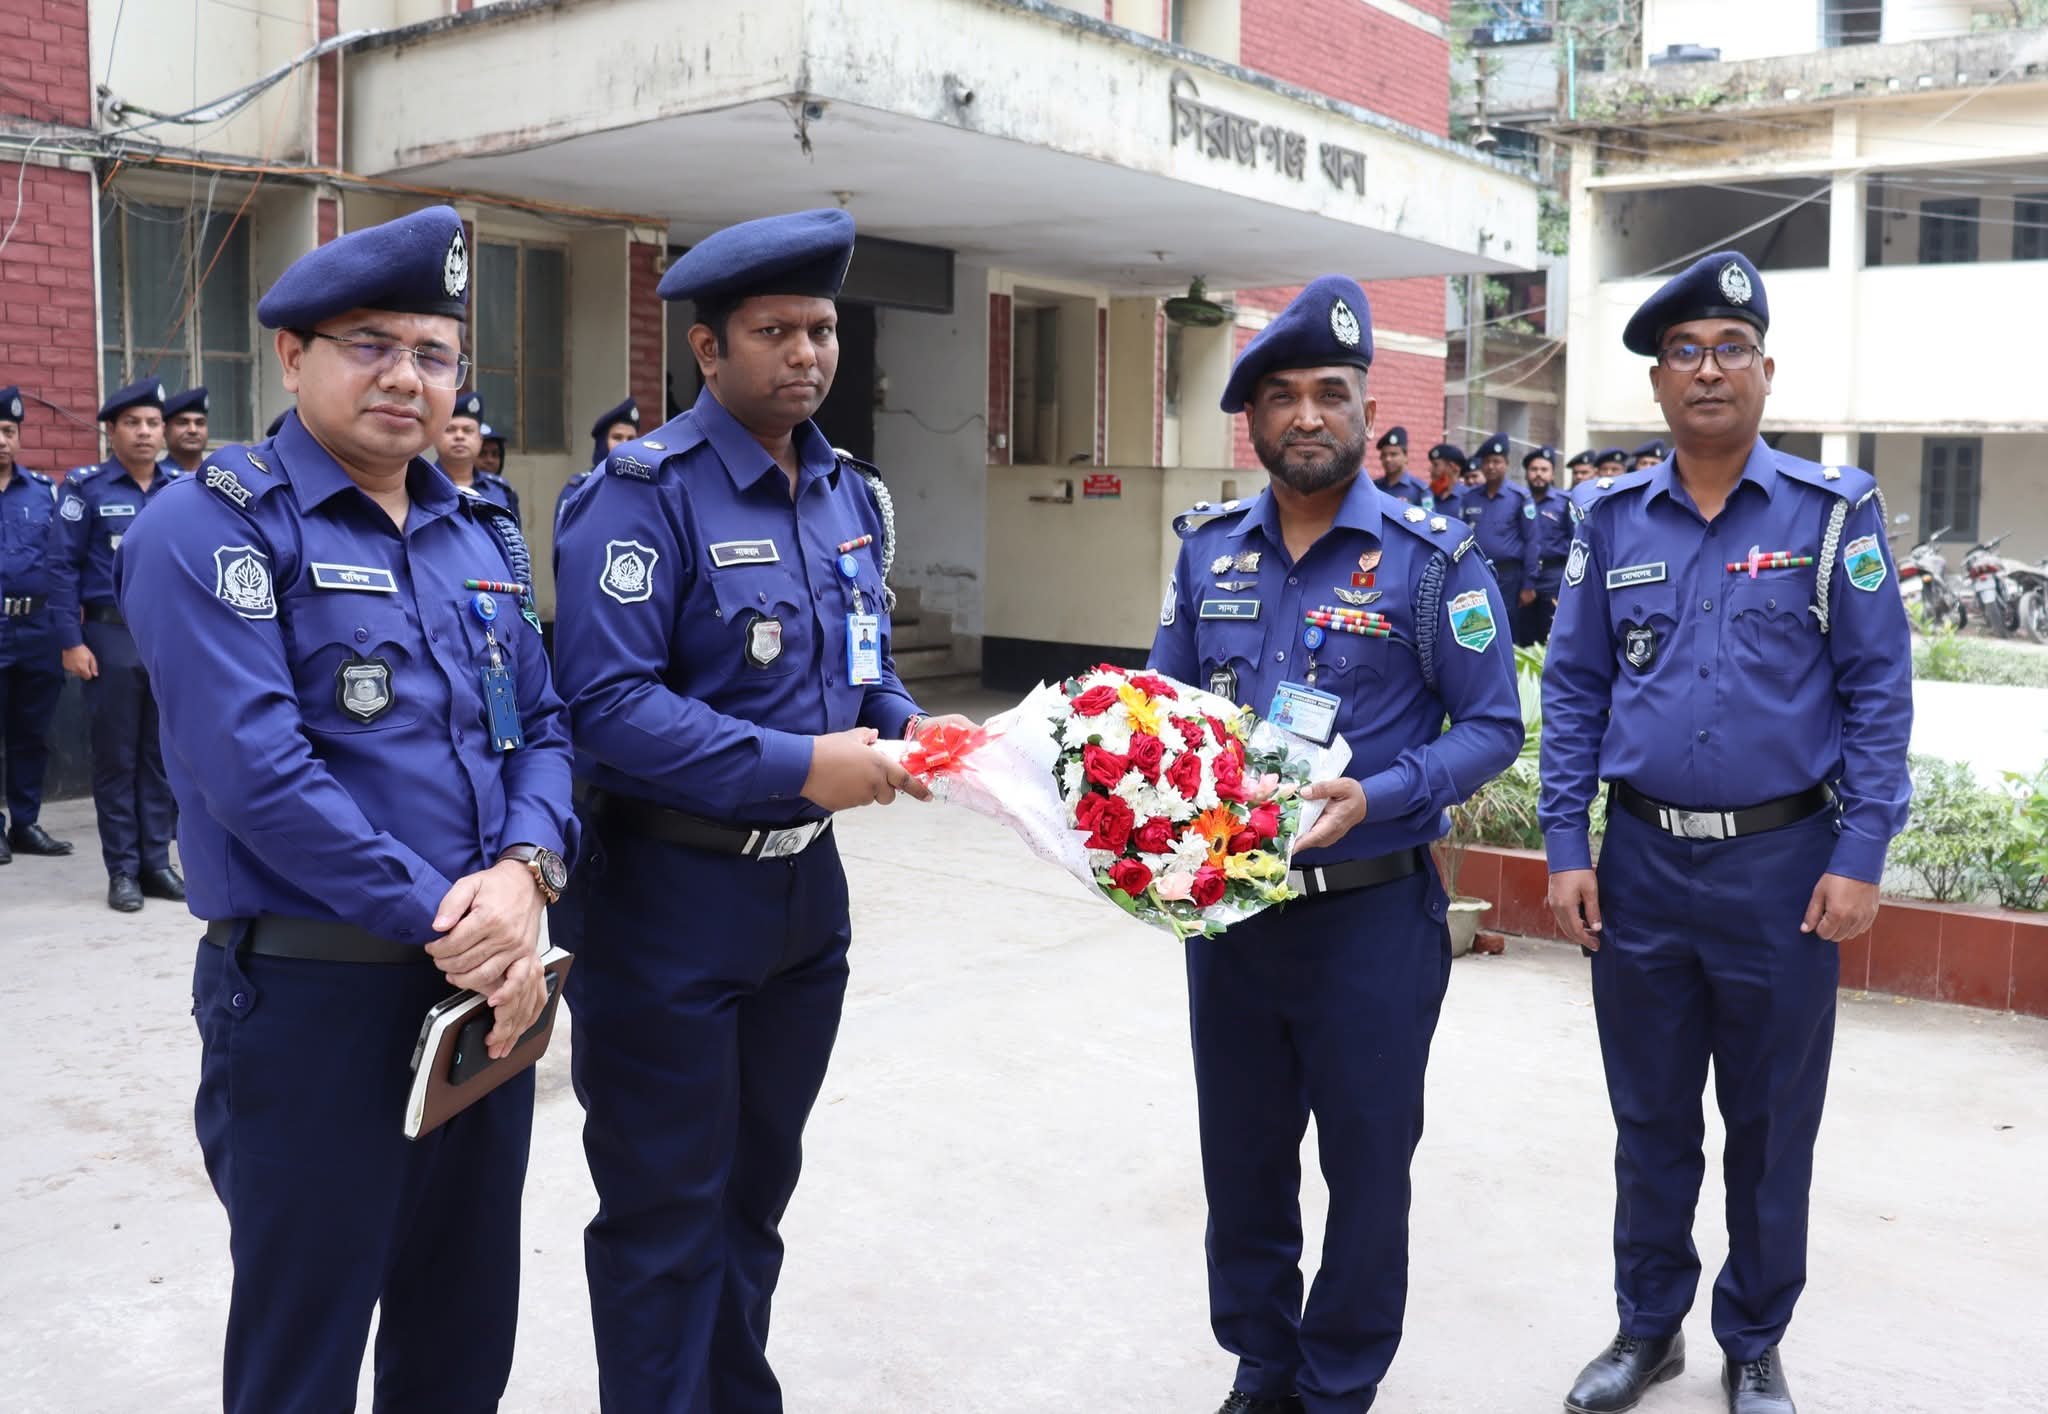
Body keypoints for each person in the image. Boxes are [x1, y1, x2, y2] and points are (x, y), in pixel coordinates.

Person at [114, 203, 578, 1414]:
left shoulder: (477, 531)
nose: (404, 377)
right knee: (304, 1349)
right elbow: (253, 772)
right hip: (315, 999)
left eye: (431, 353)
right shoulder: (210, 526)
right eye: (369, 343)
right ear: (292, 355)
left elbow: (545, 725)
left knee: (460, 1333)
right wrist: (454, 918)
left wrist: (528, 869)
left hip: (483, 993)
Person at [550, 208, 962, 1412]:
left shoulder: (847, 495)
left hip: (801, 902)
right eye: (774, 330)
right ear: (706, 347)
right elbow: (607, 705)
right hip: (669, 897)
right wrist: (797, 763)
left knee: (752, 1194)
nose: (806, 354)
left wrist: (906, 725)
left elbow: (865, 662)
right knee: (664, 1211)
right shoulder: (639, 496)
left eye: (822, 329)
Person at [1540, 252, 1912, 1414]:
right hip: (1642, 867)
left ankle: (1752, 1337)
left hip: (1781, 870)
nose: (1706, 370)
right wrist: (1564, 846)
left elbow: (1876, 691)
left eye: (1728, 349)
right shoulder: (1605, 521)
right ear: (1655, 385)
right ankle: (1647, 1329)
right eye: (1683, 353)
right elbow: (1572, 692)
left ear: (1763, 372)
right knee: (1648, 1116)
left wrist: (1858, 854)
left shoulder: (1826, 513)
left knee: (1766, 1121)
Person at [1150, 275, 1522, 1414]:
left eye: (1328, 392)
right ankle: (1263, 1361)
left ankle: (1337, 1379)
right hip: (1232, 915)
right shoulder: (1205, 551)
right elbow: (1159, 712)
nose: (1304, 414)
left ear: (1363, 410)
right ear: (1250, 421)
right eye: (1280, 396)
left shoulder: (1431, 560)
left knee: (1366, 1165)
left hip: (1370, 913)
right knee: (1243, 1156)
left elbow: (1493, 725)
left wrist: (1383, 790)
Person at [51, 378, 182, 911]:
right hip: (108, 635)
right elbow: (60, 567)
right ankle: (123, 871)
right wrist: (69, 639)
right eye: (133, 423)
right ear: (112, 431)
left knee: (161, 758)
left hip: (167, 639)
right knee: (116, 759)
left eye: (153, 423)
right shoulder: (87, 488)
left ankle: (156, 864)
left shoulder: (179, 487)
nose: (146, 432)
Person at [0, 385, 74, 862]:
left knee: (31, 732)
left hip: (37, 632)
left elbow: (64, 559)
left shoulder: (46, 492)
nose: (2, 441)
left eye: (8, 431)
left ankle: (25, 823)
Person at [1456, 431, 1535, 617]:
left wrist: (1529, 583)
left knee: (1507, 625)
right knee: (1477, 623)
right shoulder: (1469, 497)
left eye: (1496, 461)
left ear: (1506, 464)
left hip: (1509, 576)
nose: (1491, 466)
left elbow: (1532, 541)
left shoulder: (1520, 497)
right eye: (1487, 462)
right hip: (1477, 572)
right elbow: (1460, 537)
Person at [553, 395, 641, 531]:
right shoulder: (579, 490)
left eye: (631, 438)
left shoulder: (645, 488)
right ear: (602, 444)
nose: (625, 445)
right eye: (617, 438)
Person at [436, 391, 523, 524]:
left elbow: (513, 542)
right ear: (436, 438)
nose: (459, 436)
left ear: (480, 440)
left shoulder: (501, 491)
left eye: (468, 430)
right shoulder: (418, 487)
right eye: (450, 429)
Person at [1518, 444, 1572, 646]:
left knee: (1552, 634)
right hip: (1524, 576)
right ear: (1526, 474)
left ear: (1552, 474)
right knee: (1524, 635)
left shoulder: (1564, 502)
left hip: (1554, 575)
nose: (1538, 474)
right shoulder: (1518, 500)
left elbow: (1575, 540)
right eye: (1534, 470)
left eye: (1544, 470)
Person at [1372, 425, 1430, 508]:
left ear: (1405, 457)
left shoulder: (1420, 490)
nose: (1388, 459)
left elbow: (1429, 520)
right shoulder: (1374, 488)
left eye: (1393, 454)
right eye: (1384, 455)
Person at [161, 386, 210, 473]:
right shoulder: (152, 478)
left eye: (200, 423)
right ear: (164, 430)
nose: (193, 430)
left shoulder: (217, 479)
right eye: (182, 423)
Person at [1426, 442, 1466, 517]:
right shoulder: (1427, 494)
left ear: (1452, 467)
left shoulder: (1468, 497)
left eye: (1435, 465)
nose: (1430, 469)